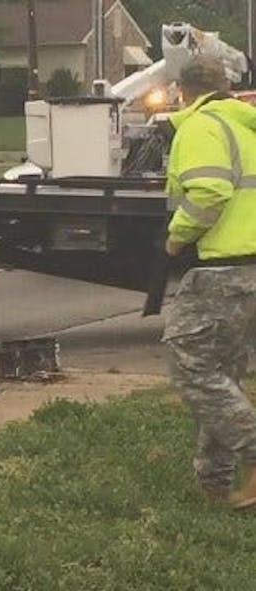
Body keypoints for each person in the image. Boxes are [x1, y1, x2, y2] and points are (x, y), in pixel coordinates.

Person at [163, 56, 256, 509]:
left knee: (191, 366)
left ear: (184, 91)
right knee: (225, 375)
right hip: (250, 270)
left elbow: (210, 192)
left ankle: (253, 449)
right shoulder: (246, 128)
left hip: (222, 269)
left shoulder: (201, 128)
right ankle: (215, 484)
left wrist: (176, 238)